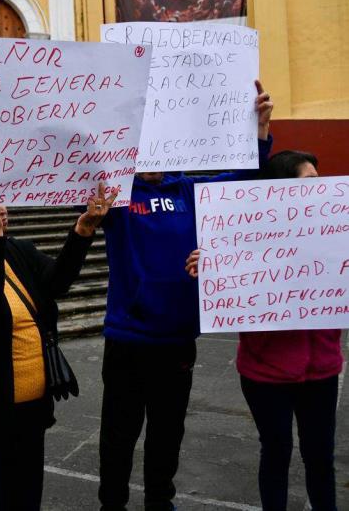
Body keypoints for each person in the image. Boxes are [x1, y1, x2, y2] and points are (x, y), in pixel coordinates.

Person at [97, 81, 274, 511]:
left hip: (176, 341)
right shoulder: (114, 196)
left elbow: (242, 178)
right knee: (118, 437)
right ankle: (112, 505)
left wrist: (261, 131)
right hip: (127, 339)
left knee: (167, 434)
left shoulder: (189, 191)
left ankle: (161, 501)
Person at [0, 183, 117, 511]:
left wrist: (84, 228)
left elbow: (57, 281)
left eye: (1, 200)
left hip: (29, 414)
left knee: (25, 500)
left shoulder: (17, 249)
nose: (3, 208)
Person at [186, 150, 341, 511]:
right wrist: (210, 268)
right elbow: (226, 293)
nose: (321, 189)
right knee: (276, 452)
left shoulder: (336, 229)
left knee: (321, 456)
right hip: (265, 373)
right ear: (283, 189)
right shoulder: (247, 234)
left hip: (322, 370)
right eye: (310, 182)